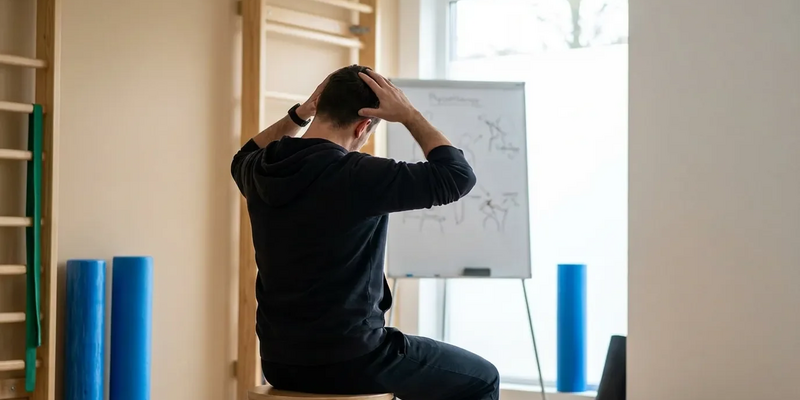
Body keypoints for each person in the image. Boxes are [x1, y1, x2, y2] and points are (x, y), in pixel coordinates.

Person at [231, 65, 499, 400]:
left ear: (319, 108)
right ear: (363, 127)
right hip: (352, 360)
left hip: (279, 361)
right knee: (483, 378)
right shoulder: (357, 174)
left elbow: (242, 156)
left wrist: (300, 114)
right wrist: (409, 115)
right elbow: (457, 176)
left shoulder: (261, 169)